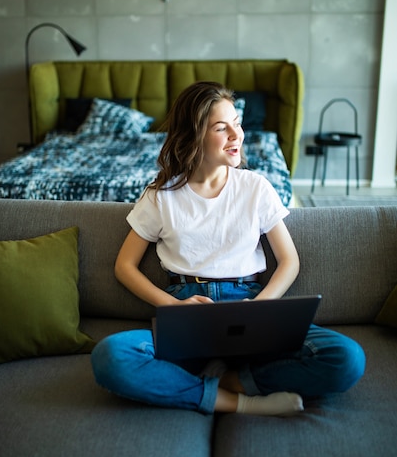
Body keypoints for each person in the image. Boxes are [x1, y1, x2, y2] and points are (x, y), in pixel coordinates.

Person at [91, 81, 365, 416]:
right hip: (186, 311)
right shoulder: (160, 195)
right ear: (193, 135)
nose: (237, 135)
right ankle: (235, 402)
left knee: (347, 358)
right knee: (111, 357)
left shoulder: (255, 187)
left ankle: (237, 381)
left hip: (249, 304)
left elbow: (289, 260)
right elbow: (124, 267)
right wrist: (173, 307)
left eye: (237, 123)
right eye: (222, 128)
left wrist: (261, 308)